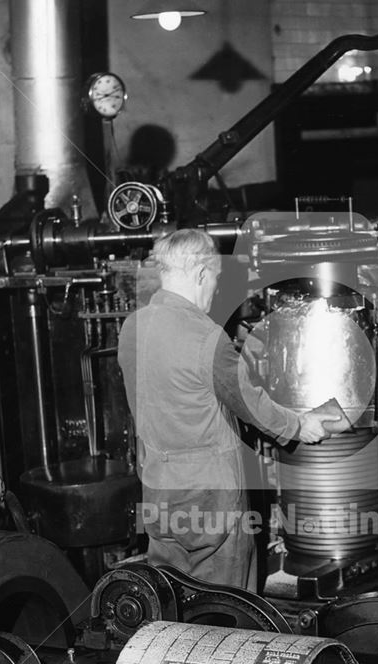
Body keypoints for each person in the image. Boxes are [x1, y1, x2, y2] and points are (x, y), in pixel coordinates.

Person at [117, 229, 339, 592]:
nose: (215, 290)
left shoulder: (131, 328)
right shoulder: (206, 337)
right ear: (201, 274)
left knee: (173, 601)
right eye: (215, 279)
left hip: (159, 491)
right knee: (229, 610)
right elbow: (251, 404)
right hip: (211, 498)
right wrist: (301, 425)